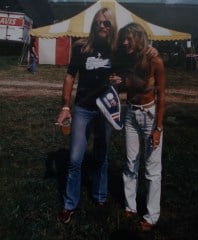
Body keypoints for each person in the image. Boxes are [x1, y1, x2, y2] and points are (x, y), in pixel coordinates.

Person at [56, 7, 118, 224]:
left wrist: (152, 52)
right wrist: (65, 106)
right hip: (83, 108)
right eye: (98, 22)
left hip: (106, 112)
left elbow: (136, 66)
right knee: (74, 159)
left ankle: (100, 196)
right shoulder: (81, 47)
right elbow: (69, 76)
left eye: (106, 23)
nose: (102, 26)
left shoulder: (118, 50)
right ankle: (69, 203)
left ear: (112, 26)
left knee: (101, 155)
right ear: (93, 25)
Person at [110, 22, 166, 231]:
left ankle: (151, 216)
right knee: (130, 162)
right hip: (131, 114)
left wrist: (158, 128)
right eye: (123, 38)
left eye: (129, 38)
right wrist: (118, 81)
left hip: (150, 116)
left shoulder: (155, 60)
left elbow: (162, 97)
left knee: (152, 168)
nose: (125, 42)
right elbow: (129, 82)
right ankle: (130, 206)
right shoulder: (126, 57)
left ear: (139, 38)